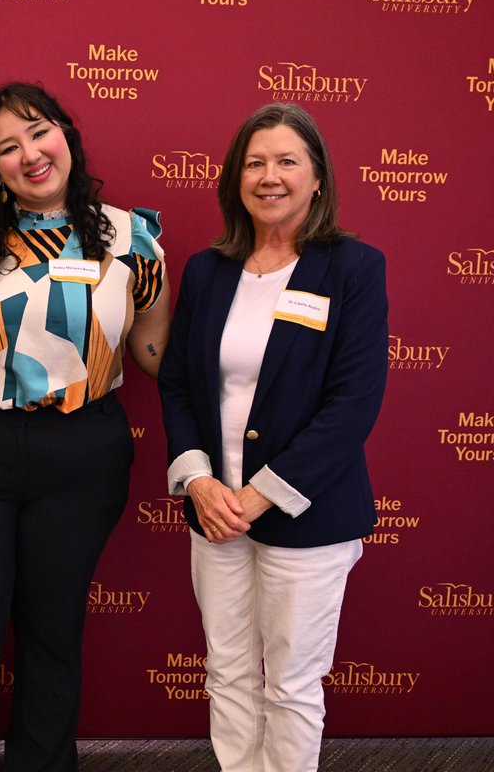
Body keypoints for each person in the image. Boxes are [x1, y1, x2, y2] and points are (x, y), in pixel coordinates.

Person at [0, 82, 170, 771]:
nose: (30, 154)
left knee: (52, 632)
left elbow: (153, 353)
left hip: (82, 455)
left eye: (39, 132)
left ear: (67, 131)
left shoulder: (135, 237)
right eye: (7, 146)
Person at [158, 102, 388, 772]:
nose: (270, 176)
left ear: (317, 177)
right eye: (255, 162)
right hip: (213, 515)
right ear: (236, 178)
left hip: (306, 516)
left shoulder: (353, 269)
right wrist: (200, 482)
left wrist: (257, 496)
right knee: (227, 675)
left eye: (287, 161)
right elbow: (176, 384)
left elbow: (352, 406)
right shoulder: (207, 270)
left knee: (290, 685)